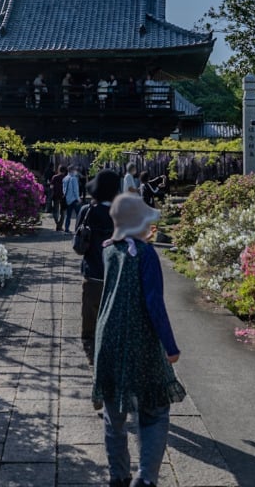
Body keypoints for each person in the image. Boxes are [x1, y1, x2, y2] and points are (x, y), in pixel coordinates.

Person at [92, 193, 184, 487]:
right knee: (155, 410)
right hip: (141, 338)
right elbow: (154, 303)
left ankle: (118, 477)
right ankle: (146, 479)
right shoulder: (145, 254)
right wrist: (170, 346)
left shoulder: (109, 250)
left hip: (108, 336)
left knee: (114, 414)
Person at [77, 169, 120, 340]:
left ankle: (89, 345)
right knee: (112, 316)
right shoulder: (122, 213)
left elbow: (79, 238)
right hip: (116, 274)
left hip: (92, 270)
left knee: (90, 315)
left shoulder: (87, 211)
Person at [62, 166, 82, 233]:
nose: (76, 171)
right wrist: (78, 199)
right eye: (75, 170)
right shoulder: (74, 178)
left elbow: (64, 190)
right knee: (79, 215)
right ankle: (78, 228)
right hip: (74, 199)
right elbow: (75, 190)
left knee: (68, 215)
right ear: (72, 170)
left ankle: (66, 229)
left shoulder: (65, 178)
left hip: (67, 199)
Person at [50, 165, 68, 229]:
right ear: (65, 171)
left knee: (55, 211)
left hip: (55, 196)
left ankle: (57, 224)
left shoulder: (54, 177)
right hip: (63, 196)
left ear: (59, 170)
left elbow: (51, 186)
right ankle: (59, 225)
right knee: (63, 212)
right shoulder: (66, 178)